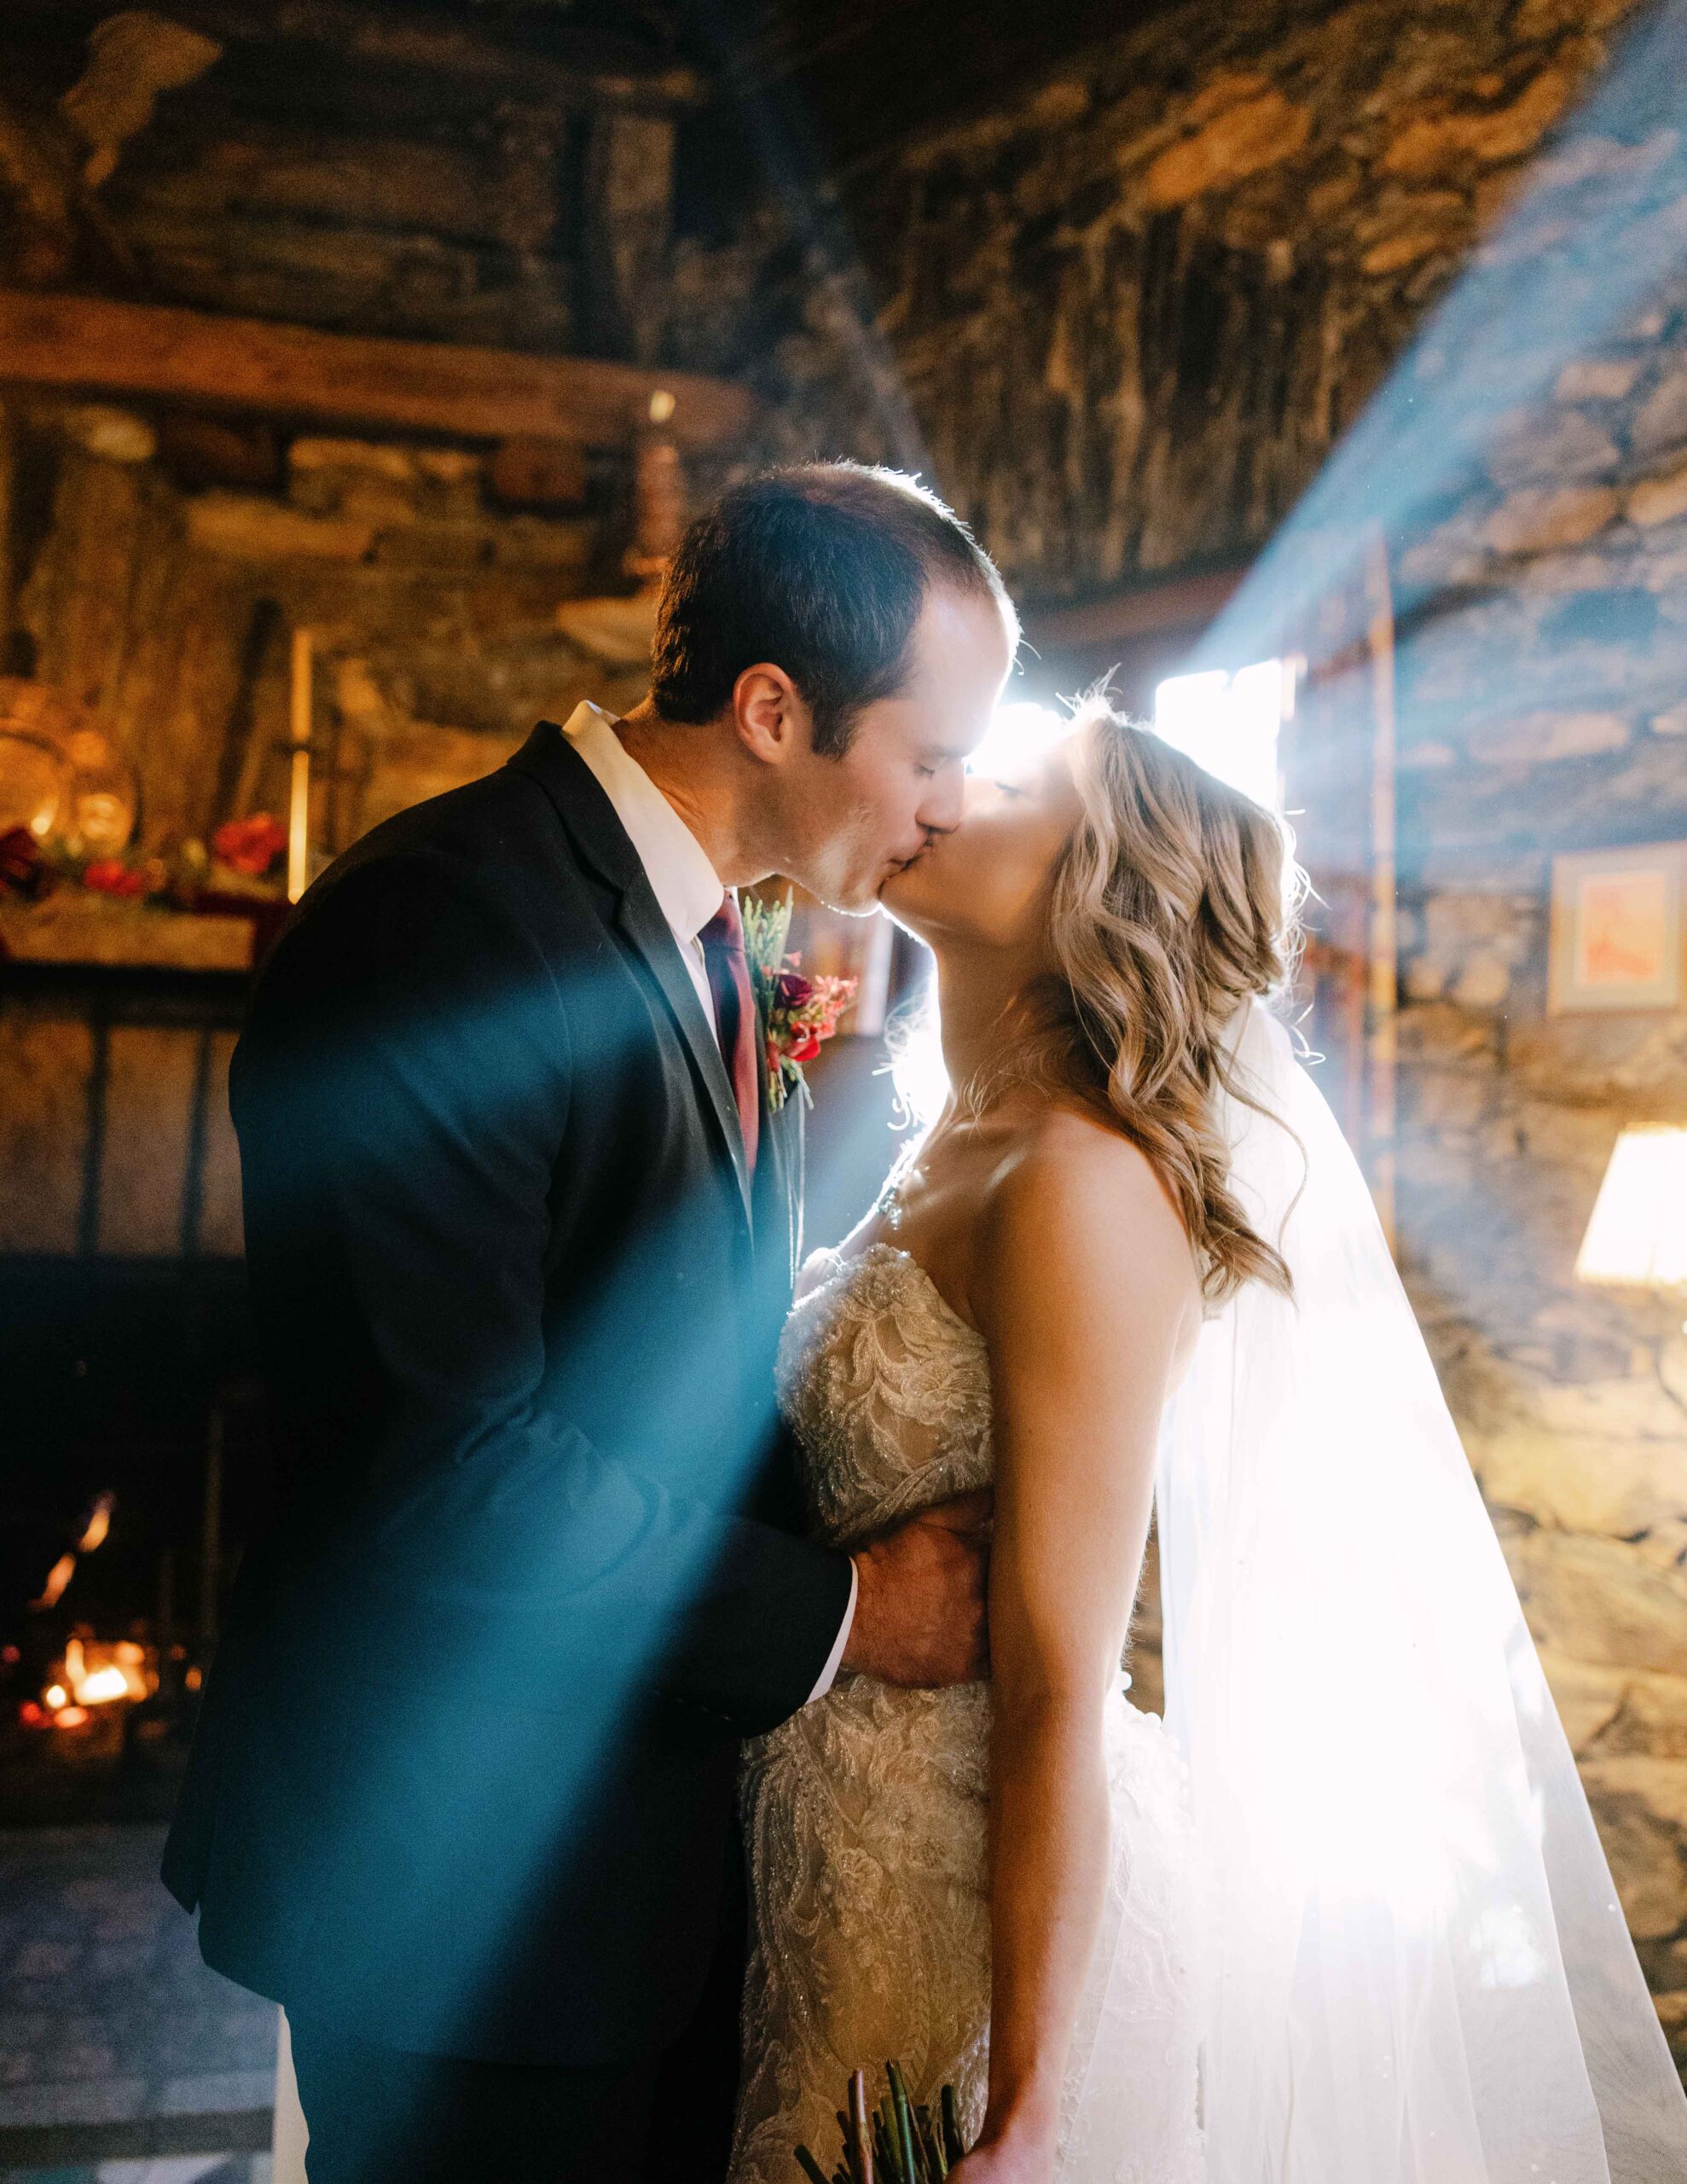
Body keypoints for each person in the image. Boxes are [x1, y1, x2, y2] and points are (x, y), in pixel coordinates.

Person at [162, 463, 1019, 2184]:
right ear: (773, 710)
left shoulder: (728, 936)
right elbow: (442, 1472)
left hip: (636, 1867)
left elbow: (686, 1333)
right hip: (462, 1898)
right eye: (925, 753)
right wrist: (854, 1611)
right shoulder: (448, 923)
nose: (942, 804)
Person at [729, 704, 1687, 2184]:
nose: (942, 790)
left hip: (960, 1900)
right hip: (831, 1840)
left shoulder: (1077, 1186)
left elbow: (1056, 1674)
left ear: (1097, 890)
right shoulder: (953, 1144)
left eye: (1001, 781)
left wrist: (1028, 2119)